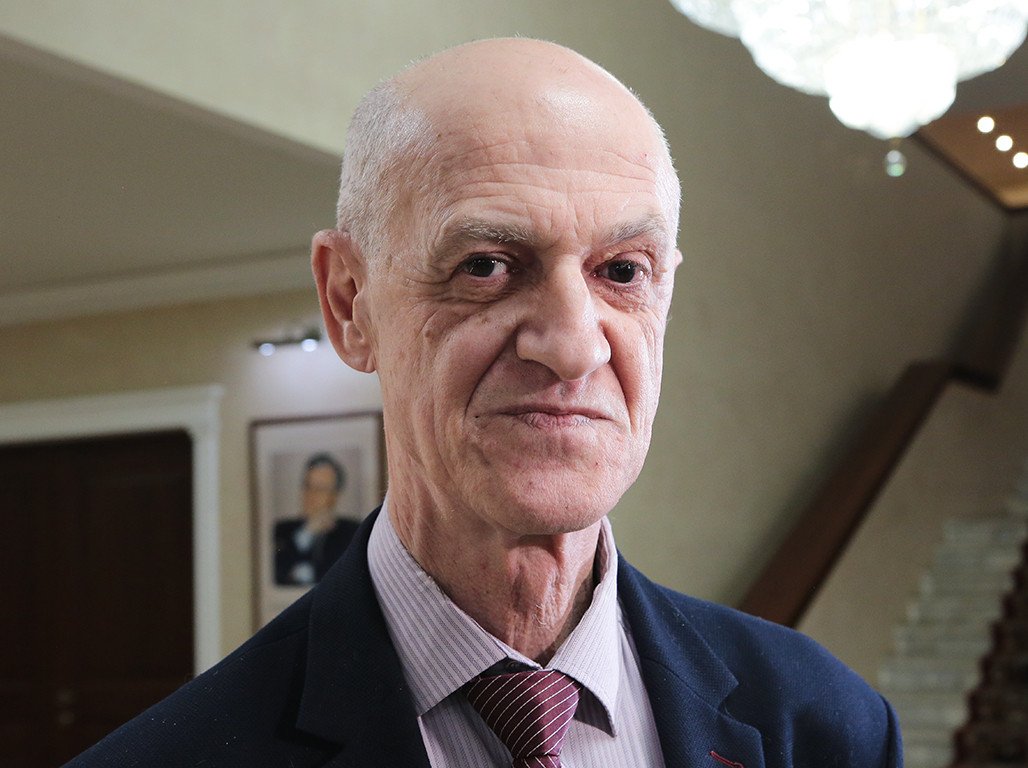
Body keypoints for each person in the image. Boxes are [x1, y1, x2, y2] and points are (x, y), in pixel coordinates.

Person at [65, 38, 901, 767]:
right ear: (349, 303)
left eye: (622, 272)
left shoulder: (824, 725)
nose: (574, 345)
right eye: (487, 265)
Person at [273, 452, 359, 585]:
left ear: (334, 496)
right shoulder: (281, 529)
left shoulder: (352, 532)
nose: (311, 495)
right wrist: (307, 533)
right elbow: (277, 576)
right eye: (308, 486)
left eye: (320, 489)